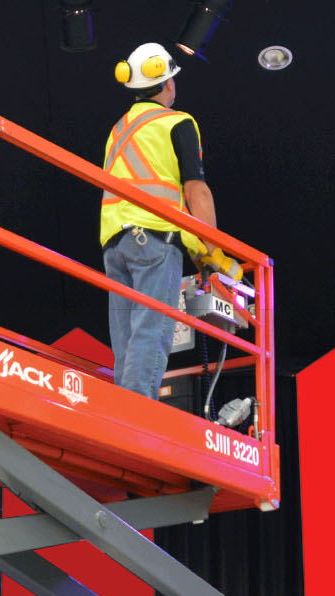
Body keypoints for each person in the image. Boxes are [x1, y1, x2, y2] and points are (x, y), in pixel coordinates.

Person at [99, 42, 220, 400]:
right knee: (152, 329)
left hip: (114, 243)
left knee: (126, 337)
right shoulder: (177, 122)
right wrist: (212, 250)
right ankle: (138, 412)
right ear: (168, 83)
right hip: (153, 238)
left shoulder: (118, 129)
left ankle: (125, 407)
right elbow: (197, 190)